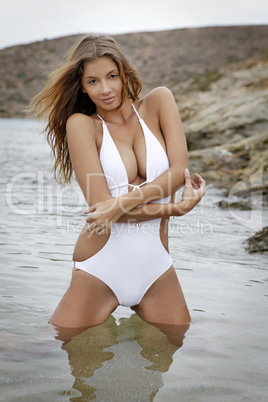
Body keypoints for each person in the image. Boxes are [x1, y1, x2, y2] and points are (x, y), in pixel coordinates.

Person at [31, 34, 205, 332]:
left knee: (175, 353)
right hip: (100, 265)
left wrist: (122, 203)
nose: (106, 89)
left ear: (124, 73)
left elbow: (178, 172)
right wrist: (174, 209)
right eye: (93, 81)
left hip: (156, 266)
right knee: (55, 357)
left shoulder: (159, 102)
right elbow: (101, 210)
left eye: (112, 76)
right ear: (82, 87)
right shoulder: (82, 125)